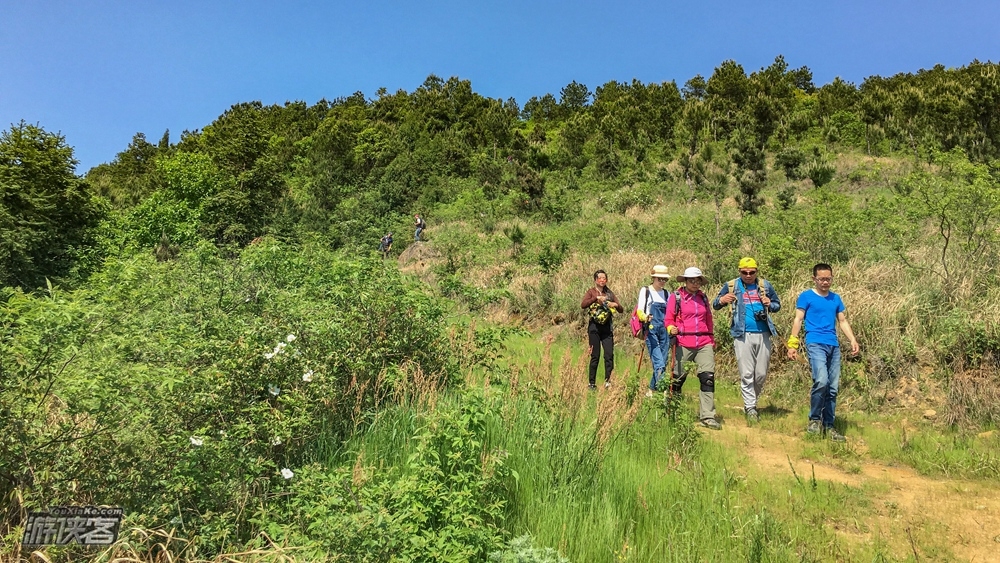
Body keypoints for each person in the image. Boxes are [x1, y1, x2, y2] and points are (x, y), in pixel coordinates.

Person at [786, 263, 860, 442]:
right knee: (821, 380)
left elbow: (842, 321)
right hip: (815, 343)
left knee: (832, 388)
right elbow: (798, 319)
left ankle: (829, 425)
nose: (825, 282)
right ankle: (814, 420)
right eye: (822, 279)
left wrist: (852, 339)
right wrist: (792, 344)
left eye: (828, 279)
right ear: (814, 279)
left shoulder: (835, 298)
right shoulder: (806, 296)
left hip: (833, 345)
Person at [713, 257, 781, 423]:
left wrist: (769, 303)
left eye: (752, 272)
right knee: (747, 373)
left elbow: (777, 305)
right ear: (739, 271)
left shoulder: (765, 285)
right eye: (745, 272)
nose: (748, 275)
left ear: (756, 271)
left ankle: (751, 403)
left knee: (761, 374)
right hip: (742, 334)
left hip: (764, 332)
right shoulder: (732, 285)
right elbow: (715, 304)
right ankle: (750, 407)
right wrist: (722, 300)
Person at [665, 267, 721, 429]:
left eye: (698, 281)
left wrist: (711, 339)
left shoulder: (703, 298)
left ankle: (708, 416)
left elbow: (708, 319)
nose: (695, 283)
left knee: (707, 378)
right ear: (685, 281)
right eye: (692, 280)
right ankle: (672, 411)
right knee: (677, 378)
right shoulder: (676, 297)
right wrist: (671, 329)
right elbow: (669, 319)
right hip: (684, 342)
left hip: (704, 341)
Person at [581, 270, 624, 390]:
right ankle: (592, 383)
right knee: (595, 356)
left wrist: (614, 305)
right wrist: (596, 299)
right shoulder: (591, 292)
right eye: (599, 278)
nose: (602, 280)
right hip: (594, 328)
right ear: (595, 280)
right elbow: (583, 304)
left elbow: (621, 309)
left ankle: (608, 382)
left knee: (609, 355)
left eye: (604, 278)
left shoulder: (609, 293)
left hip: (607, 329)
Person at [635, 265, 672, 398]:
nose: (662, 282)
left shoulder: (667, 293)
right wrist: (645, 317)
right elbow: (640, 310)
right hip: (650, 330)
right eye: (660, 279)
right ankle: (663, 391)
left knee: (664, 360)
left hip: (665, 330)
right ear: (653, 278)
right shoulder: (645, 291)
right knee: (659, 362)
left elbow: (670, 313)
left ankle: (651, 390)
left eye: (664, 279)